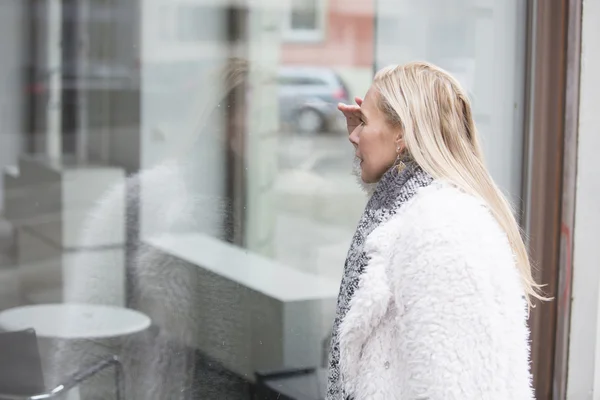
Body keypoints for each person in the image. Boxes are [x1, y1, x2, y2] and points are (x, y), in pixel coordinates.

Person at [326, 61, 545, 400]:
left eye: (364, 122)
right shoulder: (414, 208)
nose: (352, 134)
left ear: (402, 134)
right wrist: (370, 137)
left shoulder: (442, 228)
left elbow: (453, 384)